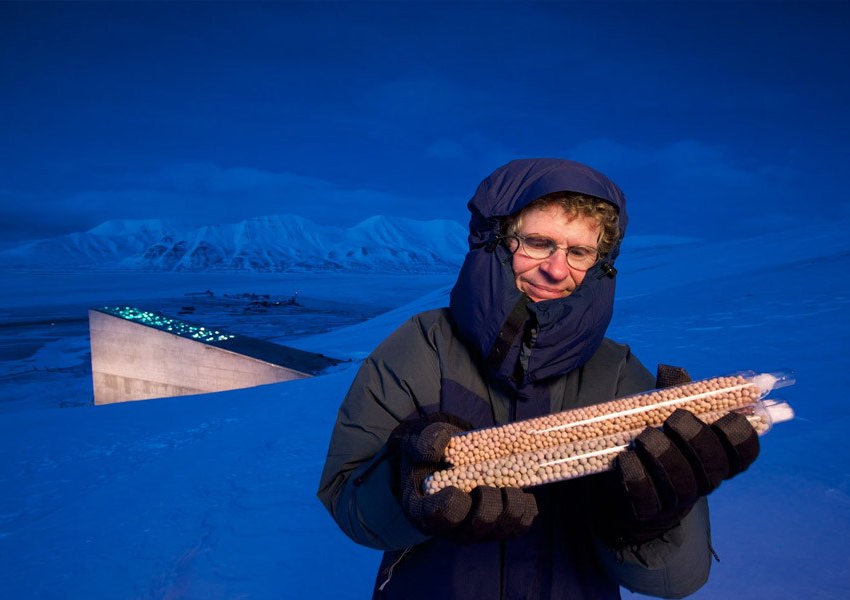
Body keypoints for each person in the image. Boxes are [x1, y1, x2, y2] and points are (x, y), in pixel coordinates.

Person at [317, 158, 760, 599]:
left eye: (580, 252)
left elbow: (677, 580)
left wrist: (654, 516)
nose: (556, 269)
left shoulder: (620, 372)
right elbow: (349, 505)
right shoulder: (420, 347)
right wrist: (407, 483)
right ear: (497, 239)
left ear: (601, 263)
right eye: (538, 242)